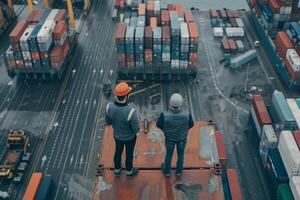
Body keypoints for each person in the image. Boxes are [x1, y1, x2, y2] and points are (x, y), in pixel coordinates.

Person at [105, 82, 140, 177]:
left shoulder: (109, 107)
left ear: (116, 96)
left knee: (118, 152)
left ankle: (117, 170)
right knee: (129, 154)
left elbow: (108, 122)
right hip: (129, 138)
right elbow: (136, 129)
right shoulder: (131, 112)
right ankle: (129, 171)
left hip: (117, 136)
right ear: (127, 96)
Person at [156, 93, 194, 177]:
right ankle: (178, 172)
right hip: (182, 138)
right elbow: (191, 124)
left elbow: (158, 124)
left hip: (170, 139)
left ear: (170, 102)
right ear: (181, 103)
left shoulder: (165, 114)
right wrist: (183, 130)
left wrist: (166, 130)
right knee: (181, 154)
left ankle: (167, 171)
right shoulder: (187, 114)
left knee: (169, 154)